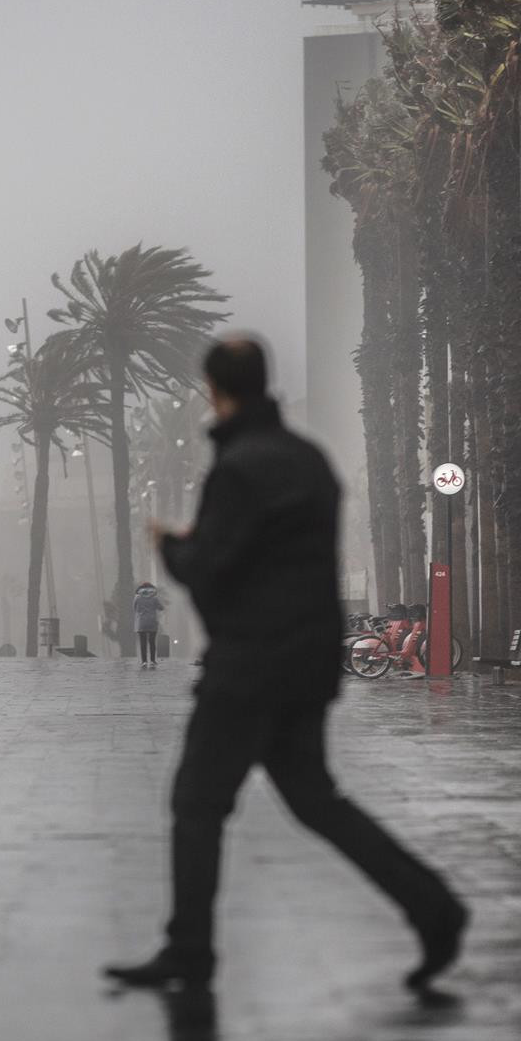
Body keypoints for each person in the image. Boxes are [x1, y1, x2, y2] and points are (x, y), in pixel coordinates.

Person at [105, 336, 467, 994]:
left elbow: (214, 570)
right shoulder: (308, 461)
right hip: (306, 664)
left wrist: (173, 549)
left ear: (216, 392)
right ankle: (433, 907)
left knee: (197, 802)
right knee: (315, 800)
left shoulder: (238, 468)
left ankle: (190, 949)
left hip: (249, 667)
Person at [133, 581, 165, 669]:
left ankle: (144, 661)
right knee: (152, 642)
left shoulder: (137, 598)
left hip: (141, 622)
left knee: (143, 643)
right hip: (152, 622)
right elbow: (161, 608)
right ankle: (152, 660)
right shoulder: (154, 598)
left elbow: (135, 608)